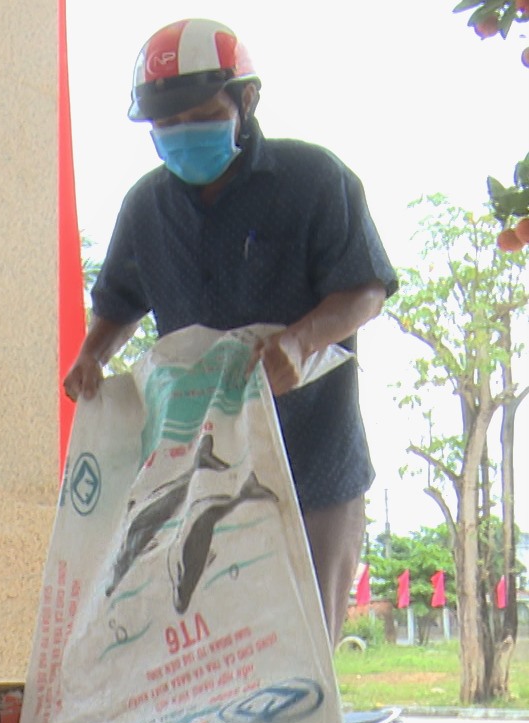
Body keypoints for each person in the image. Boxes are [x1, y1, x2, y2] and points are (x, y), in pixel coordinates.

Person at [62, 18, 397, 647]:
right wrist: (92, 354)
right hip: (200, 476)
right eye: (168, 125)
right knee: (207, 660)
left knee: (304, 663)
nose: (185, 135)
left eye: (203, 115)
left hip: (314, 472)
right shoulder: (145, 207)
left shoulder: (315, 181)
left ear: (248, 100)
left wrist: (300, 340)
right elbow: (120, 298)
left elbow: (366, 288)